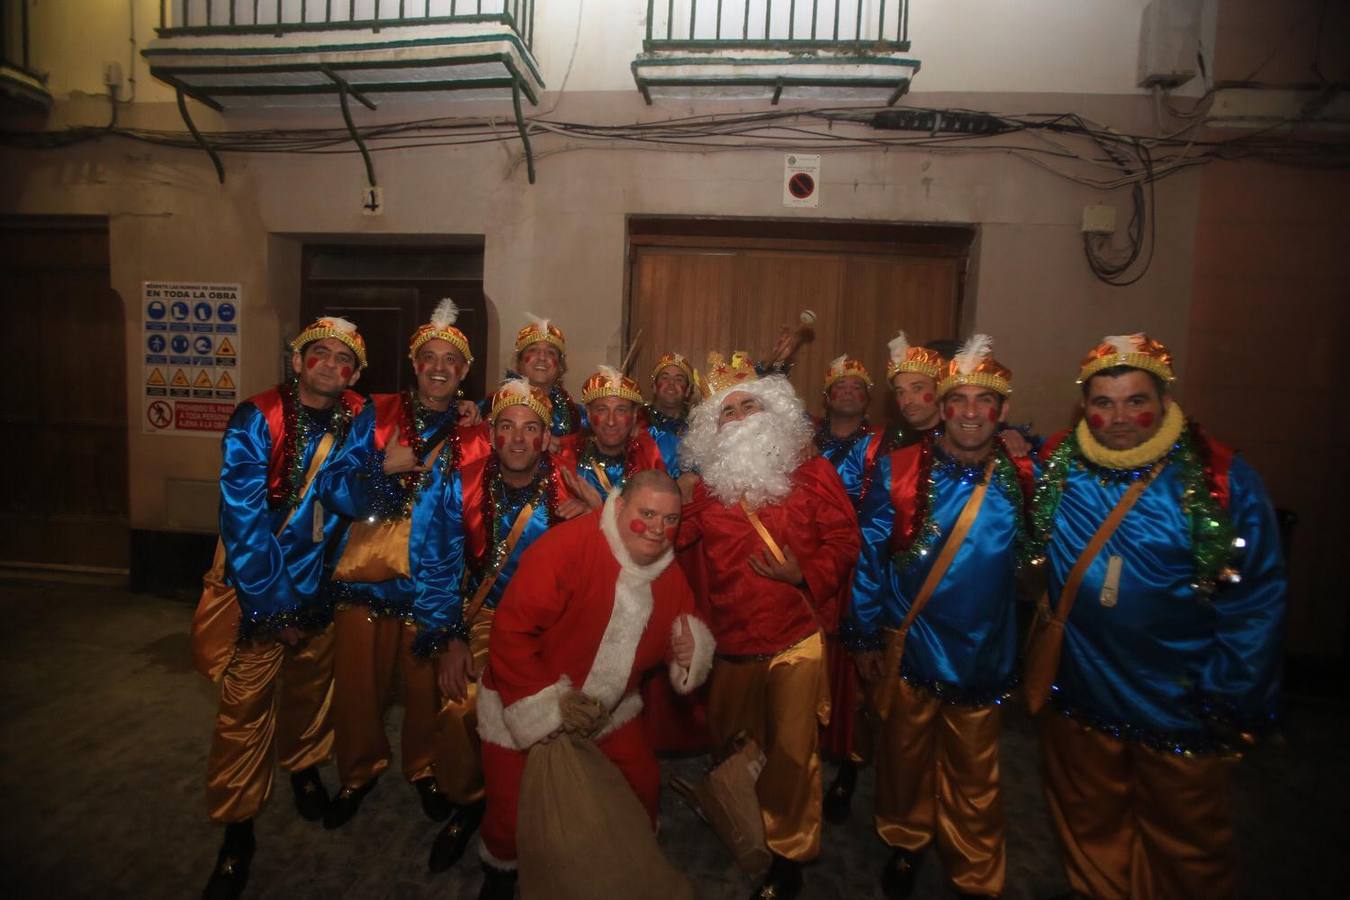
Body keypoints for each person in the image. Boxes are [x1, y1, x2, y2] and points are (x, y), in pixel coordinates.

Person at [1034, 333, 1286, 900]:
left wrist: (1230, 693)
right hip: (1082, 689)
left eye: (1135, 400)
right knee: (1088, 827)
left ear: (1165, 400)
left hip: (1176, 700)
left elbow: (1258, 597)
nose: (1119, 416)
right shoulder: (1060, 465)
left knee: (1186, 846)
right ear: (1085, 408)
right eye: (1103, 403)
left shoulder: (1219, 479)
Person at [848, 335, 1034, 899]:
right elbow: (870, 555)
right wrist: (863, 634)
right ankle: (906, 841)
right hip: (913, 646)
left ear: (1001, 411)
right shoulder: (901, 471)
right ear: (944, 407)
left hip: (984, 652)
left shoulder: (1023, 477)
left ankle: (976, 867)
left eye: (985, 401)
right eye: (960, 400)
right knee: (903, 757)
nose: (971, 412)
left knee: (975, 773)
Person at [474, 470, 716, 899]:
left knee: (641, 783)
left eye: (671, 520)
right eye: (647, 514)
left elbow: (681, 622)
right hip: (527, 700)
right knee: (512, 810)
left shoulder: (667, 570)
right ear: (619, 507)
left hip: (610, 710)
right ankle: (501, 871)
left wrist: (688, 649)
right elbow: (511, 633)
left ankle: (625, 860)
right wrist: (545, 709)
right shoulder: (565, 548)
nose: (659, 530)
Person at [677, 352, 861, 900]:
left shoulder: (811, 471)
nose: (739, 417)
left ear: (773, 411)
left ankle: (790, 854)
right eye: (727, 412)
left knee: (791, 749)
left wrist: (805, 572)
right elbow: (666, 540)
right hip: (731, 641)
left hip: (794, 639)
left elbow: (846, 541)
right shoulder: (705, 489)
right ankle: (745, 819)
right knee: (734, 743)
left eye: (748, 404)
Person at [200, 316, 367, 900]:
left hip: (321, 582)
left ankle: (303, 769)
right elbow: (241, 521)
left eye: (343, 361)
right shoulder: (256, 417)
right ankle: (237, 829)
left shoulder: (358, 417)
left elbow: (359, 489)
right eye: (318, 354)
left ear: (352, 375)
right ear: (297, 361)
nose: (330, 365)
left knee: (310, 691)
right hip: (259, 591)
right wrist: (274, 609)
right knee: (244, 710)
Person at [312, 299, 485, 830]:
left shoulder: (474, 433)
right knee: (359, 690)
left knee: (426, 693)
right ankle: (358, 773)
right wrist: (382, 471)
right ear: (414, 365)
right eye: (429, 357)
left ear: (463, 371)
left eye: (450, 361)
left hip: (433, 584)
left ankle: (424, 769)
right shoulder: (376, 412)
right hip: (367, 578)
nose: (439, 367)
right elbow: (332, 486)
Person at [424, 377, 576, 871]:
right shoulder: (460, 483)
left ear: (546, 439)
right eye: (506, 426)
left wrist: (597, 517)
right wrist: (449, 637)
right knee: (459, 703)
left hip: (554, 625)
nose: (517, 438)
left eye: (530, 428)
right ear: (491, 434)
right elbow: (437, 564)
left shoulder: (570, 487)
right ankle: (470, 803)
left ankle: (537, 811)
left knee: (553, 715)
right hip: (485, 616)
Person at [557, 365, 665, 504]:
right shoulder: (566, 457)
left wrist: (594, 513)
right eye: (602, 410)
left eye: (621, 410)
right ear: (589, 414)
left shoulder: (648, 457)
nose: (611, 421)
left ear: (633, 416)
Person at [497, 314, 583, 440]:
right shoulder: (492, 406)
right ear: (519, 363)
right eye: (533, 350)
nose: (542, 357)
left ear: (559, 366)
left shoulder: (576, 415)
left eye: (550, 352)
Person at [813, 354, 877, 466]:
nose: (848, 391)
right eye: (840, 387)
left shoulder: (877, 443)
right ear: (827, 398)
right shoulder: (809, 435)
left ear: (867, 399)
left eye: (856, 388)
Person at [645, 351, 694, 477]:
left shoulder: (698, 426)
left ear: (687, 390)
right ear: (654, 386)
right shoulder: (637, 422)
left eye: (679, 379)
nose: (671, 384)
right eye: (665, 378)